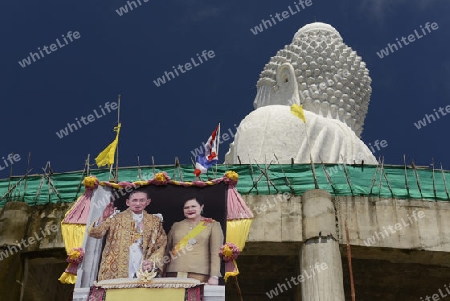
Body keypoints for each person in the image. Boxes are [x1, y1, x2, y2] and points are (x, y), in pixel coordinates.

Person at [88, 189, 167, 281]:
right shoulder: (116, 217)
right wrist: (103, 218)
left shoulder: (155, 221)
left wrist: (152, 261)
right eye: (134, 200)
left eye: (142, 200)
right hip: (116, 265)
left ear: (147, 202)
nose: (138, 204)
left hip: (142, 263)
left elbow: (161, 244)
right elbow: (95, 233)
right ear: (128, 202)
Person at [164, 196, 224, 284]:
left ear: (201, 207)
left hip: (199, 274)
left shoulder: (212, 225)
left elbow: (215, 253)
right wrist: (161, 271)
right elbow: (167, 250)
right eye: (186, 207)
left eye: (193, 206)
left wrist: (214, 276)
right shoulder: (176, 225)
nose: (190, 209)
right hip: (173, 273)